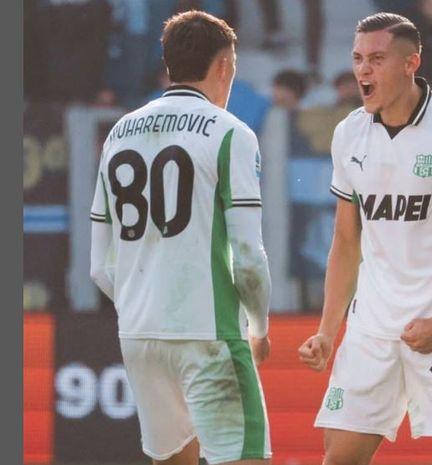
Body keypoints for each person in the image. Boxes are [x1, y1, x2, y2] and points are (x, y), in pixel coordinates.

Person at [298, 12, 432, 465]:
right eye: (358, 58)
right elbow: (345, 241)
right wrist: (327, 332)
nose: (363, 70)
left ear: (411, 62)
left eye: (376, 59)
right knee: (339, 459)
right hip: (371, 330)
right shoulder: (349, 133)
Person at [89, 10, 272, 465]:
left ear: (168, 63)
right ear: (224, 66)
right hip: (208, 333)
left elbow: (98, 267)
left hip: (139, 335)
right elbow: (248, 257)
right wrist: (259, 326)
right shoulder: (231, 133)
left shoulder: (118, 132)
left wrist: (144, 306)